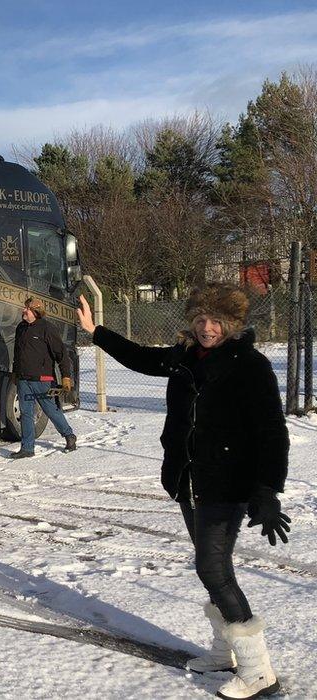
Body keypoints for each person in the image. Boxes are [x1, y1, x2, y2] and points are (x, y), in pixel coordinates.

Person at [77, 283, 290, 700]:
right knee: (210, 568)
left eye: (216, 322)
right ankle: (223, 652)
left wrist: (267, 489)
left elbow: (272, 432)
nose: (208, 328)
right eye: (200, 320)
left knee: (213, 568)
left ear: (232, 325)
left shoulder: (250, 365)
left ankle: (257, 670)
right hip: (188, 481)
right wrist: (96, 331)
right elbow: (141, 358)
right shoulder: (185, 359)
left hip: (227, 484)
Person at [9, 297, 77, 458]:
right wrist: (15, 372)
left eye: (27, 309)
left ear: (36, 311)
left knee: (50, 410)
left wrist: (66, 377)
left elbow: (61, 354)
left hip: (43, 379)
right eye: (24, 308)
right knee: (26, 413)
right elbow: (17, 354)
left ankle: (69, 436)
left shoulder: (47, 328)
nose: (23, 311)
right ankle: (27, 448)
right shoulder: (21, 328)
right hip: (24, 379)